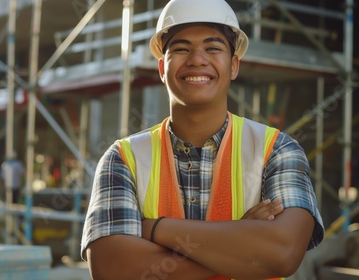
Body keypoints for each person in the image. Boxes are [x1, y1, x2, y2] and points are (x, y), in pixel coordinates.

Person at [81, 0, 324, 279]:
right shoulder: (123, 158)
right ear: (162, 68)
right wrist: (240, 244)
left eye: (213, 48)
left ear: (233, 66)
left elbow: (282, 254)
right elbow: (111, 269)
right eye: (182, 48)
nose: (197, 59)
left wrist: (155, 229)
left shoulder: (277, 150)